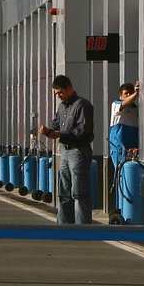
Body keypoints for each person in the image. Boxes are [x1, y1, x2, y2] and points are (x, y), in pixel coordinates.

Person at [38, 74, 94, 224]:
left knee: (79, 191)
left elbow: (83, 130)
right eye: (56, 93)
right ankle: (63, 224)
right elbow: (56, 125)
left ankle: (82, 226)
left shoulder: (82, 105)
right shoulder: (61, 107)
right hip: (65, 150)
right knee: (64, 190)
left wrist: (61, 134)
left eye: (60, 92)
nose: (58, 96)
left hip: (79, 150)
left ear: (69, 88)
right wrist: (49, 131)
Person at [107, 80, 141, 217]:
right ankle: (120, 208)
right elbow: (124, 104)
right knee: (121, 177)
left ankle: (129, 209)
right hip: (119, 147)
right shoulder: (116, 105)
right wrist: (137, 93)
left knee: (130, 176)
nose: (128, 96)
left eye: (130, 93)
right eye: (125, 94)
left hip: (132, 147)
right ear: (121, 96)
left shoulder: (136, 110)